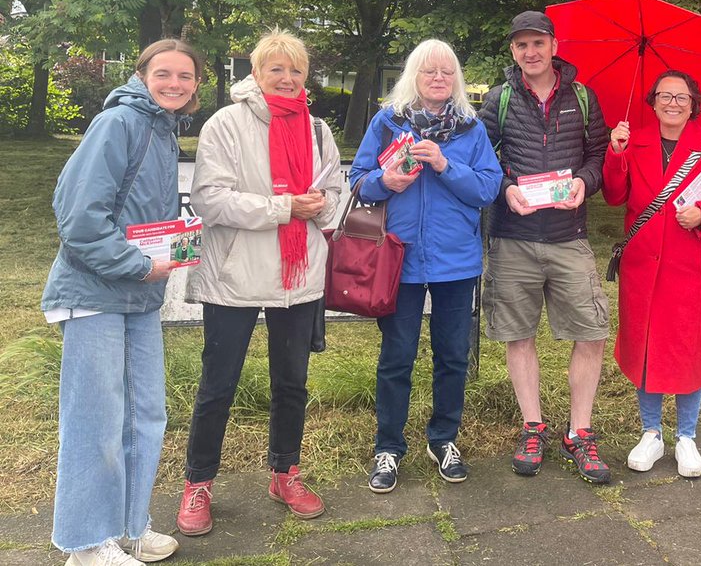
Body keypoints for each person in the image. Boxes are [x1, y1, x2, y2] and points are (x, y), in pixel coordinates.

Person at [42, 39, 203, 565]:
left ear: (197, 84)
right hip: (95, 294)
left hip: (138, 297)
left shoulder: (161, 128)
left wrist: (177, 237)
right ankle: (86, 546)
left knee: (142, 415)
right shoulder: (120, 124)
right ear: (142, 75)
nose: (175, 84)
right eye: (164, 74)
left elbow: (131, 215)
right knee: (97, 419)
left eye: (185, 76)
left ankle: (129, 528)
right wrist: (138, 263)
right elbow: (78, 217)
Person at [176, 29, 341, 536]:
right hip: (235, 276)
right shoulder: (226, 124)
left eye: (295, 70)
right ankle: (198, 483)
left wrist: (319, 204)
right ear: (256, 72)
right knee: (218, 386)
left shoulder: (317, 131)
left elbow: (335, 193)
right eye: (277, 69)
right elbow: (210, 199)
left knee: (291, 384)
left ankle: (284, 472)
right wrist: (284, 206)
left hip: (298, 279)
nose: (287, 78)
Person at [349, 39, 502, 490]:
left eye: (447, 71)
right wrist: (386, 180)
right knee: (397, 357)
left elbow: (487, 189)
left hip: (456, 262)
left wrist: (444, 164)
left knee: (453, 357)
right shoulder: (387, 122)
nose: (439, 78)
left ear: (455, 79)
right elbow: (359, 182)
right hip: (399, 259)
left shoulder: (470, 129)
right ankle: (388, 448)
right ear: (412, 76)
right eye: (429, 71)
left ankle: (443, 439)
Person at [479, 10, 612, 483]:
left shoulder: (583, 97)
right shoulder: (499, 99)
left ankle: (580, 432)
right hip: (513, 238)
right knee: (519, 335)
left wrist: (583, 181)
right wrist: (505, 189)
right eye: (521, 46)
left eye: (538, 43)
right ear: (512, 52)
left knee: (591, 332)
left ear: (554, 45)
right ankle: (532, 426)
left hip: (568, 236)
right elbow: (481, 159)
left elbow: (596, 156)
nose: (530, 53)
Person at [603, 71, 701, 477]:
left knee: (686, 349)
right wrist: (615, 152)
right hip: (643, 269)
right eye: (665, 95)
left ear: (693, 103)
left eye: (681, 97)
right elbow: (614, 196)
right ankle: (651, 433)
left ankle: (686, 436)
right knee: (645, 348)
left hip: (690, 269)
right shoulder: (634, 141)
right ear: (653, 100)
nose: (673, 103)